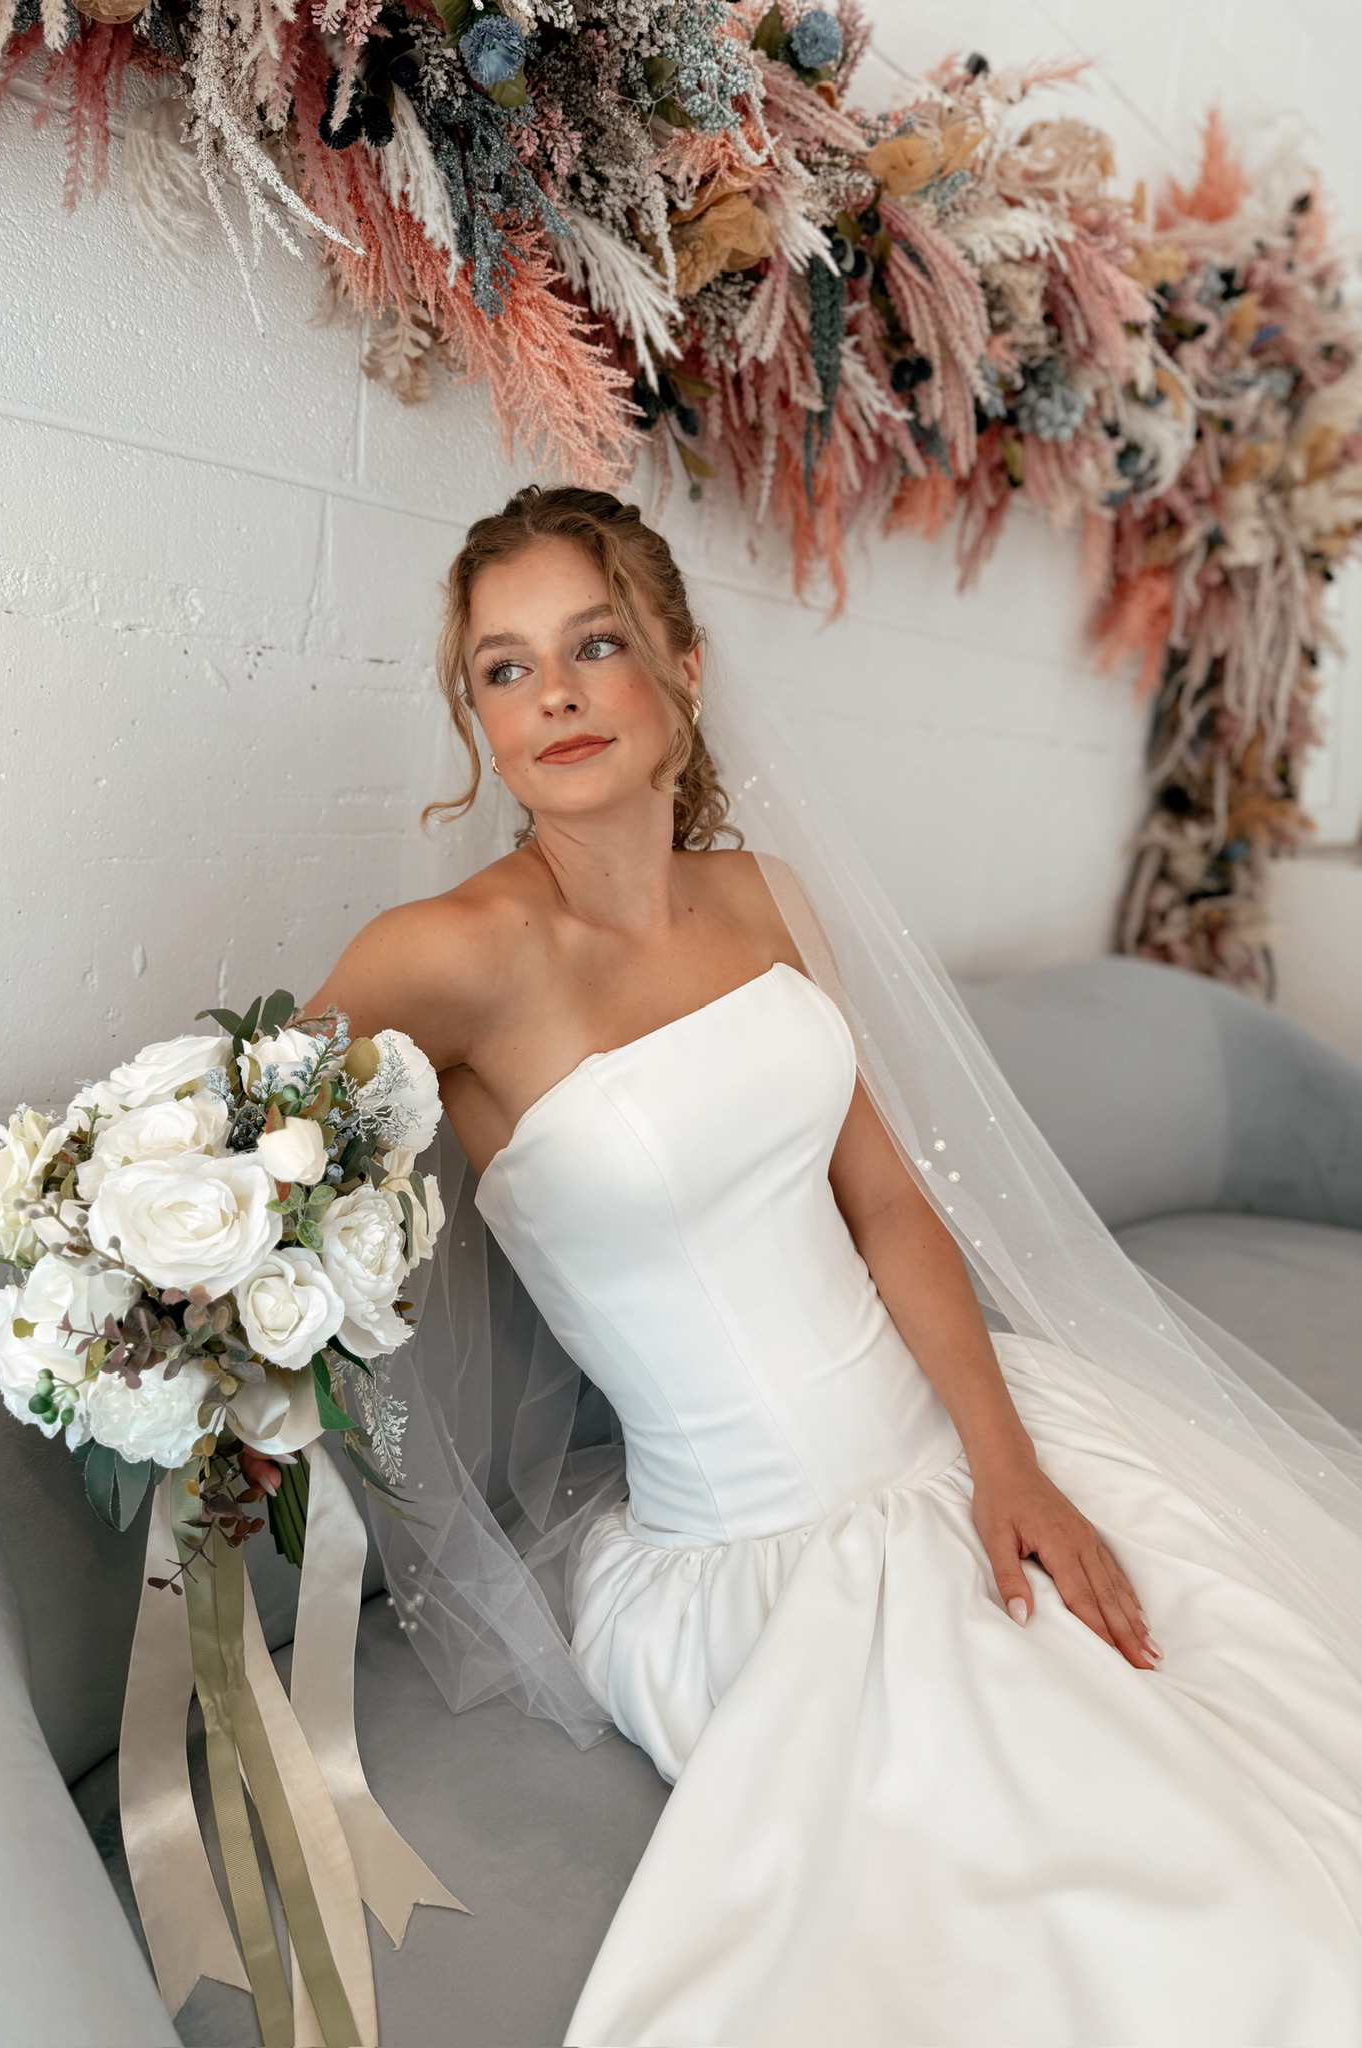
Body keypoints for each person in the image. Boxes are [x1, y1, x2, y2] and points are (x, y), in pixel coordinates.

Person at [310, 486, 1362, 2046]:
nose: (556, 698)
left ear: (681, 666)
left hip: (965, 1432)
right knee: (1193, 1919)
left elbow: (886, 1208)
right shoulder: (448, 953)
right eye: (505, 669)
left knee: (1281, 1738)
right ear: (476, 716)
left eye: (595, 645)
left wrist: (1010, 1469)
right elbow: (244, 1146)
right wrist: (159, 1275)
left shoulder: (763, 900)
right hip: (757, 1559)